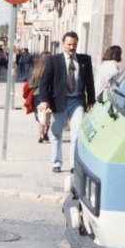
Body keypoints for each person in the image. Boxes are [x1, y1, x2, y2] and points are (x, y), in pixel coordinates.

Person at [37, 31, 95, 173]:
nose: (71, 47)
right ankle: (56, 162)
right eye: (69, 44)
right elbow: (44, 82)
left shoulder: (84, 60)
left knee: (77, 132)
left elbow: (89, 81)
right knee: (56, 132)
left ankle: (74, 165)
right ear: (63, 44)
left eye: (74, 45)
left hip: (77, 101)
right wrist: (44, 100)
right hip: (59, 102)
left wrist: (91, 100)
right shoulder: (53, 60)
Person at [22, 51, 52, 143]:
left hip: (38, 95)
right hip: (49, 95)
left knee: (40, 116)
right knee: (48, 115)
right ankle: (46, 133)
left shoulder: (36, 70)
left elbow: (31, 84)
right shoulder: (53, 69)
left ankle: (41, 135)